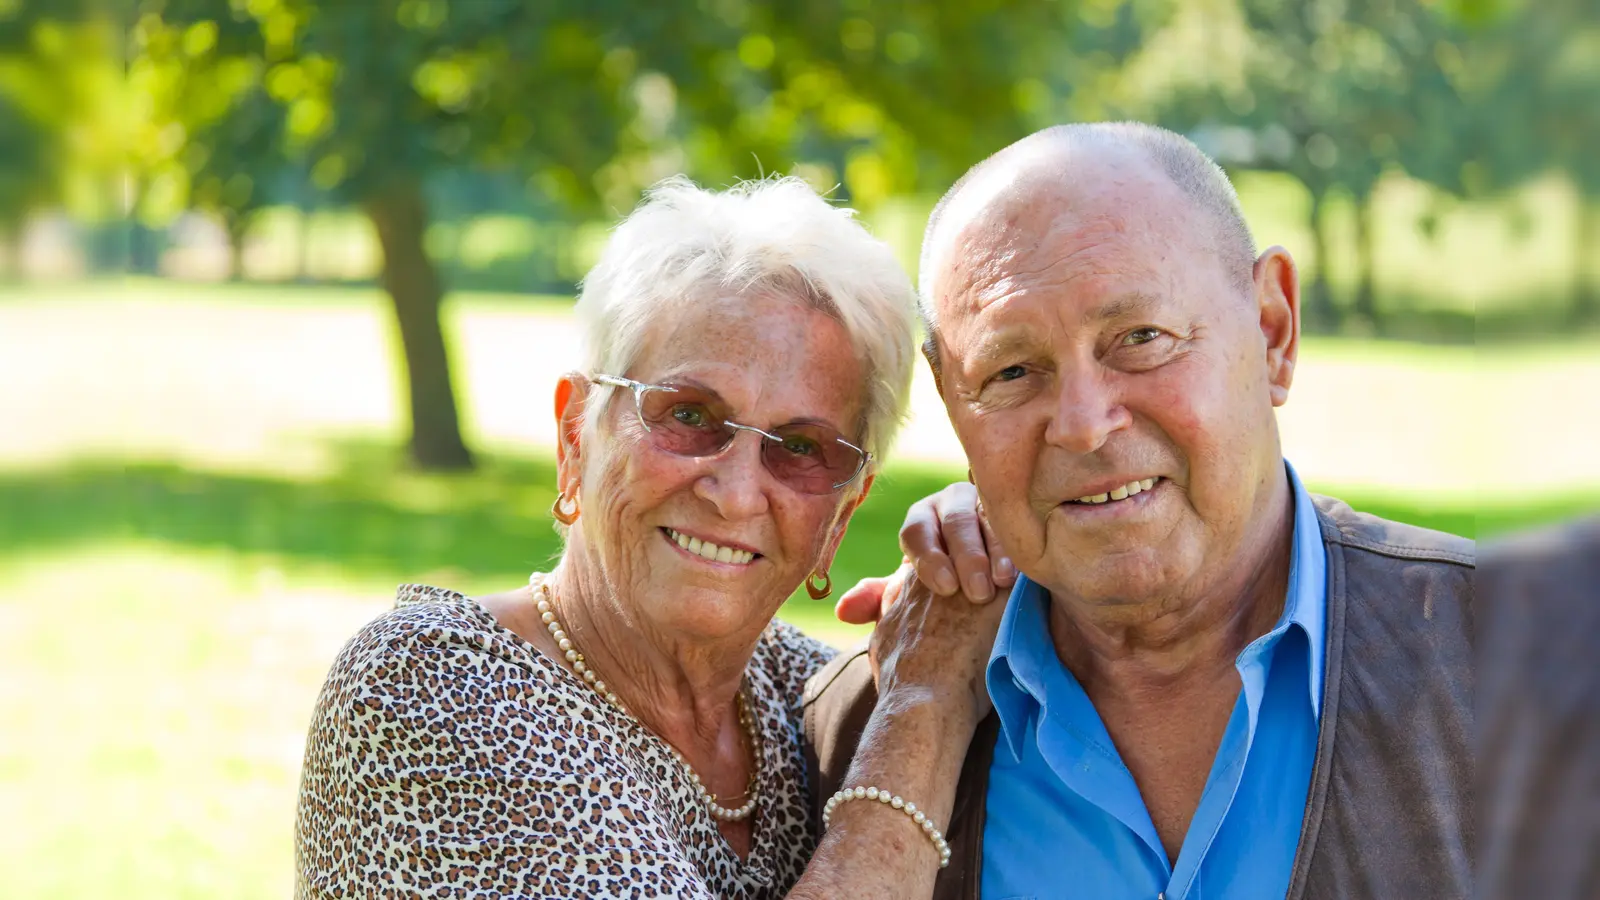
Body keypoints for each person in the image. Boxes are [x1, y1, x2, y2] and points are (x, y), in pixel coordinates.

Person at [808, 123, 1474, 899]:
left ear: (1272, 330)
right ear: (955, 403)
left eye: (1141, 337)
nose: (1085, 424)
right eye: (1013, 370)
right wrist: (915, 715)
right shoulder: (862, 741)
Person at [294, 176, 1004, 899]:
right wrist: (923, 708)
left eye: (798, 448)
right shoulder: (429, 687)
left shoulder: (811, 701)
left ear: (841, 517)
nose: (734, 493)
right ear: (576, 434)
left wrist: (979, 577)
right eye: (690, 416)